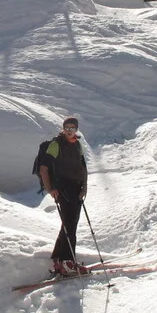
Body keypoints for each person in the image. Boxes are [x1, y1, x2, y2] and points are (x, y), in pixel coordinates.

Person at [38, 117, 89, 277]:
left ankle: (58, 258)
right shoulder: (56, 144)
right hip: (63, 189)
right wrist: (50, 189)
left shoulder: (77, 144)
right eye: (67, 127)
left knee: (68, 224)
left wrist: (84, 187)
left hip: (77, 190)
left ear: (77, 129)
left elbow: (83, 168)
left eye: (73, 128)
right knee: (70, 226)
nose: (69, 130)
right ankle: (67, 262)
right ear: (63, 128)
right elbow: (44, 168)